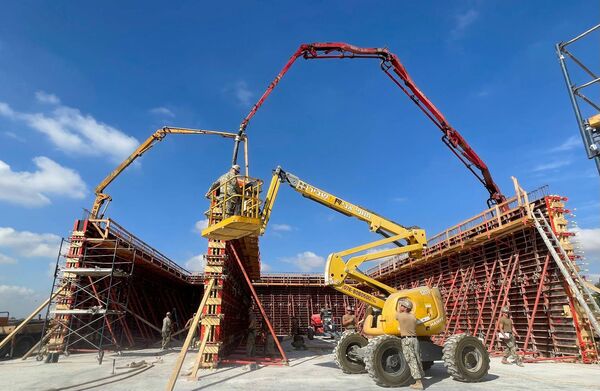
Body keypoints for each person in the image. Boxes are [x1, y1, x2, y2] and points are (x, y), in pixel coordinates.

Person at [396, 299, 424, 390]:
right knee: (417, 358)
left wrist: (399, 308)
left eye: (401, 305)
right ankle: (420, 377)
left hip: (406, 340)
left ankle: (418, 382)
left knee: (411, 360)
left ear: (405, 307)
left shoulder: (400, 315)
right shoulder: (413, 317)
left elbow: (396, 315)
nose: (400, 307)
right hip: (415, 340)